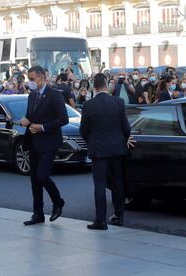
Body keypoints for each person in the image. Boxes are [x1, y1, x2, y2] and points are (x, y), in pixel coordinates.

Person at [79, 73, 132, 230]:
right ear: (107, 85)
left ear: (94, 87)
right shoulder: (118, 102)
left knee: (100, 185)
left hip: (98, 150)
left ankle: (100, 220)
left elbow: (83, 130)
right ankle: (119, 215)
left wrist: (92, 141)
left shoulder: (89, 105)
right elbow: (126, 128)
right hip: (117, 148)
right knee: (117, 183)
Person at [20, 65, 68, 226]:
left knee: (42, 176)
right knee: (34, 180)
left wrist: (43, 127)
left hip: (49, 142)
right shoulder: (32, 96)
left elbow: (63, 119)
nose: (30, 82)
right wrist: (25, 120)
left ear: (42, 77)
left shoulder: (54, 95)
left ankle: (58, 201)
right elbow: (30, 116)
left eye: (32, 79)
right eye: (29, 79)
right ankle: (38, 214)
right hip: (33, 142)